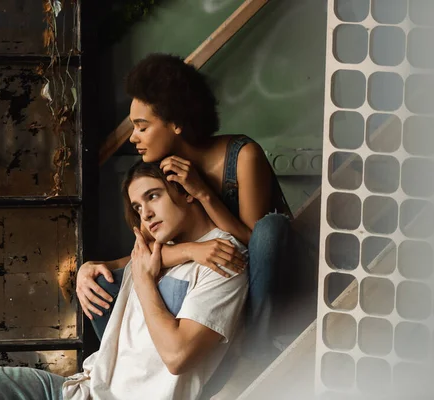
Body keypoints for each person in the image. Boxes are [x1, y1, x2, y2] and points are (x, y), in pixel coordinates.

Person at [0, 161, 248, 400]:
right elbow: (135, 263)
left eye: (153, 196)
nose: (145, 214)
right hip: (81, 389)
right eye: (138, 206)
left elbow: (177, 357)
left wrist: (145, 282)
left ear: (187, 192)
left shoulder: (222, 257)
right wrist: (88, 268)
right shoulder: (160, 252)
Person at [77, 53, 292, 356]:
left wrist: (204, 194)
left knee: (271, 228)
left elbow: (259, 246)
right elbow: (151, 251)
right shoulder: (163, 169)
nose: (133, 138)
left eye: (142, 126)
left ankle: (256, 353)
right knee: (101, 285)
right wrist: (98, 268)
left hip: (262, 285)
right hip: (208, 290)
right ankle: (135, 370)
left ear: (176, 123)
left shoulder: (243, 156)